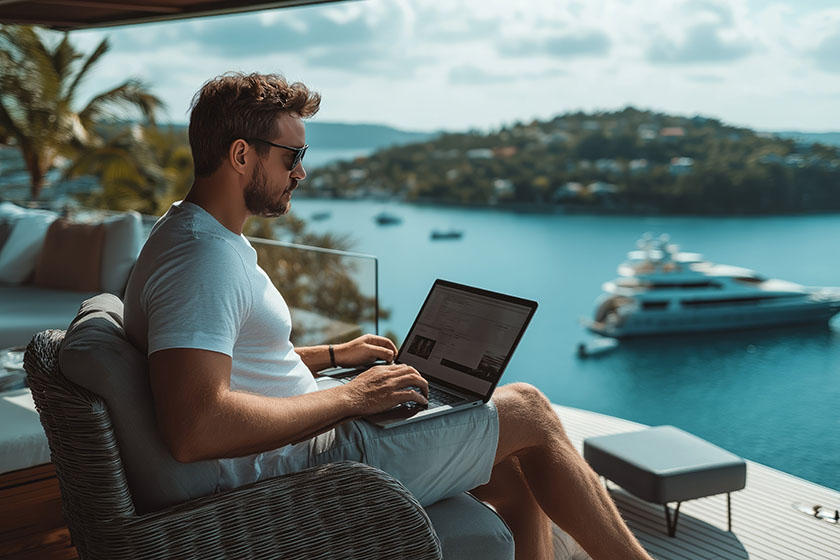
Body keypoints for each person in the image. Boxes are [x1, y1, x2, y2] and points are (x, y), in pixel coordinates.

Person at [123, 72, 653, 560]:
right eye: (292, 156)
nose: (301, 172)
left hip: (307, 448)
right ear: (241, 155)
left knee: (515, 465)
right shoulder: (202, 259)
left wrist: (335, 356)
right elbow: (195, 426)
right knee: (529, 410)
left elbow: (227, 362)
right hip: (306, 473)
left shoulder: (194, 238)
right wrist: (354, 396)